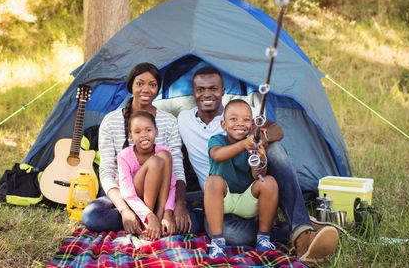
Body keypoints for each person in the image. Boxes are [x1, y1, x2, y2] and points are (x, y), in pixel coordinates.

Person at [177, 66, 339, 262]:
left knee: (274, 149)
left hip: (249, 193)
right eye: (200, 89)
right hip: (219, 198)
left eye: (213, 88)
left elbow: (277, 130)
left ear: (223, 90)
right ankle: (293, 231)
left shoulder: (242, 112)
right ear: (193, 92)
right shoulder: (184, 119)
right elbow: (181, 157)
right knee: (234, 236)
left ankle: (301, 229)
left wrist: (262, 142)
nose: (207, 94)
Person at [82, 62, 193, 235]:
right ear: (130, 86)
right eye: (140, 83)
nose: (146, 89)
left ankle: (156, 221)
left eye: (152, 84)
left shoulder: (168, 121)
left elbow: (177, 168)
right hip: (125, 195)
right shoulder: (111, 121)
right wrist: (125, 211)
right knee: (92, 216)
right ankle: (143, 221)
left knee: (192, 220)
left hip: (162, 197)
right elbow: (107, 171)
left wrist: (177, 206)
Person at [205, 99, 279, 258]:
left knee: (269, 182)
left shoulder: (254, 143)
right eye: (233, 119)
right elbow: (217, 155)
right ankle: (217, 242)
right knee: (213, 181)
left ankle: (263, 238)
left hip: (247, 199)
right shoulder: (217, 140)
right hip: (223, 201)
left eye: (246, 120)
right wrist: (243, 144)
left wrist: (260, 160)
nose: (240, 123)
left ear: (252, 124)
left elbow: (257, 175)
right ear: (223, 125)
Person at [117, 111, 176, 240]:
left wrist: (168, 212)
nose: (143, 135)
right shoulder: (124, 156)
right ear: (130, 136)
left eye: (148, 130)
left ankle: (159, 215)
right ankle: (147, 224)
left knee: (164, 156)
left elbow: (171, 186)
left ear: (156, 132)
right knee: (155, 162)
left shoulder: (164, 151)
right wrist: (149, 215)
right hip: (135, 202)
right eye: (137, 132)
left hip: (159, 201)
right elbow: (128, 194)